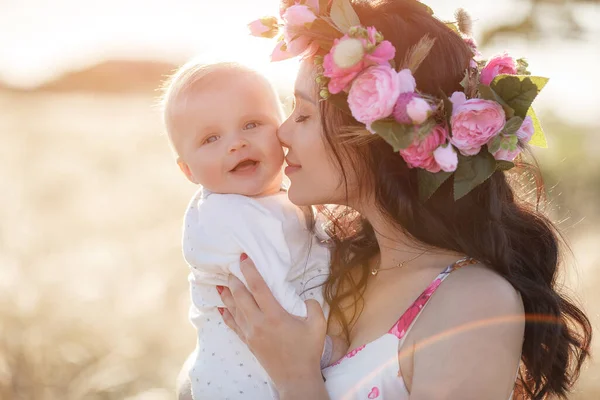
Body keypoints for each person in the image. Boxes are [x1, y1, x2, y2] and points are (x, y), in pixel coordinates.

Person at [217, 0, 592, 399]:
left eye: (305, 114)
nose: (283, 133)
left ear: (378, 133)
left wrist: (296, 378)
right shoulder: (332, 266)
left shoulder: (473, 302)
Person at [161, 61, 331, 399]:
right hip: (244, 383)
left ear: (281, 129)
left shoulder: (277, 200)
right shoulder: (229, 217)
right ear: (188, 170)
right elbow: (277, 305)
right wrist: (332, 349)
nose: (236, 143)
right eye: (211, 138)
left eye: (251, 124)